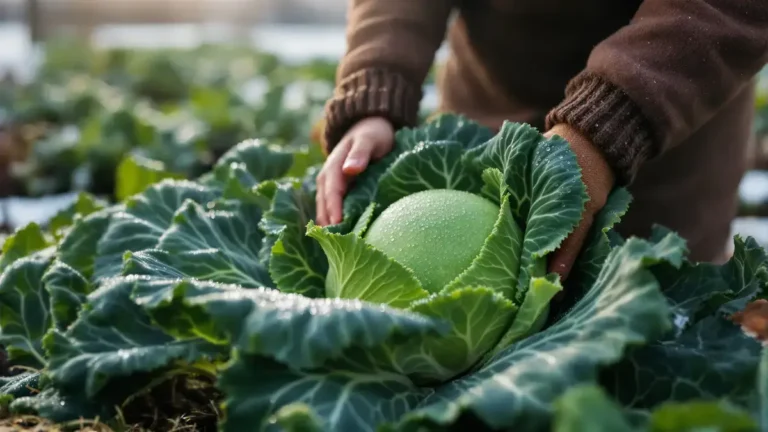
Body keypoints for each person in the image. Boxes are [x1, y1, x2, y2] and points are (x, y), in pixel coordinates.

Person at [315, 0, 768, 281]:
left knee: (649, 346)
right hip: (482, 136)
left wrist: (610, 123)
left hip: (664, 138)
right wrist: (376, 87)